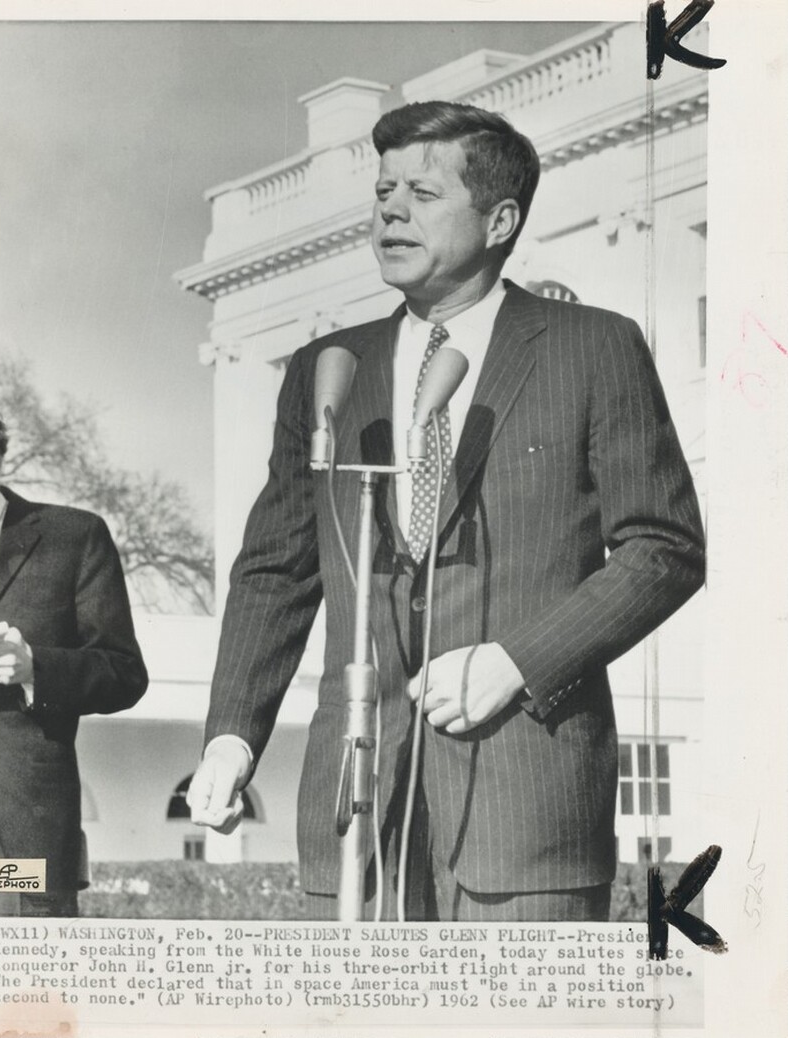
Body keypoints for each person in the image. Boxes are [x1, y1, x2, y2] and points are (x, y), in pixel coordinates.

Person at [188, 101, 705, 922]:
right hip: (354, 809)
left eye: (422, 193)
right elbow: (275, 570)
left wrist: (517, 662)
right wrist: (231, 735)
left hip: (526, 809)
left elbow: (663, 548)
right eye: (383, 190)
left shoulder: (592, 346)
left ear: (499, 219)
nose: (389, 209)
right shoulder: (330, 368)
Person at [0, 398, 148, 916]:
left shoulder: (73, 538)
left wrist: (34, 671)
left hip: (15, 836)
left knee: (19, 983)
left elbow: (123, 672)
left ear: (0, 466)